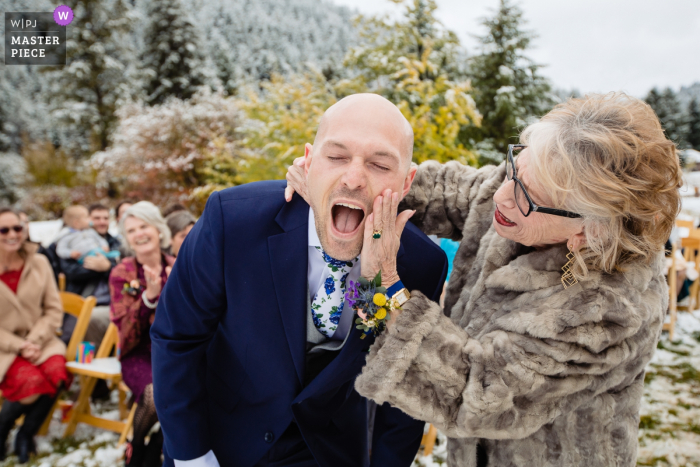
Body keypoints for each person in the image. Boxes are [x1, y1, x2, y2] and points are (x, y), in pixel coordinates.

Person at [288, 93, 681, 467]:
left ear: (587, 233)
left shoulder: (607, 311)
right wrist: (345, 181)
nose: (501, 196)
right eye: (514, 169)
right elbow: (454, 191)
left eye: (526, 195)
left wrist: (381, 286)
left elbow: (475, 392)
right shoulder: (529, 190)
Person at [151, 94, 448, 467]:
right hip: (217, 442)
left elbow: (403, 384)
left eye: (379, 164)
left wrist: (377, 283)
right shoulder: (232, 219)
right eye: (336, 157)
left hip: (328, 454)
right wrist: (192, 455)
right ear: (309, 162)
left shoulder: (421, 263)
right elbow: (178, 338)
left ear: (407, 182)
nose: (353, 178)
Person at [0, 208, 71, 463]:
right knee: (30, 386)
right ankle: (3, 428)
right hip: (5, 348)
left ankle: (25, 434)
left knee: (57, 374)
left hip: (41, 340)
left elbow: (53, 309)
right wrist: (20, 346)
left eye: (17, 228)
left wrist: (35, 340)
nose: (12, 234)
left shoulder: (39, 262)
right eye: (4, 229)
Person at [109, 201, 174, 467]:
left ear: (158, 229)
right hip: (138, 353)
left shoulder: (178, 265)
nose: (139, 233)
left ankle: (158, 447)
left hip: (174, 351)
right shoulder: (122, 274)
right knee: (154, 394)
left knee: (195, 389)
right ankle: (135, 449)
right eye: (132, 230)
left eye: (144, 226)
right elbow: (123, 329)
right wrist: (148, 297)